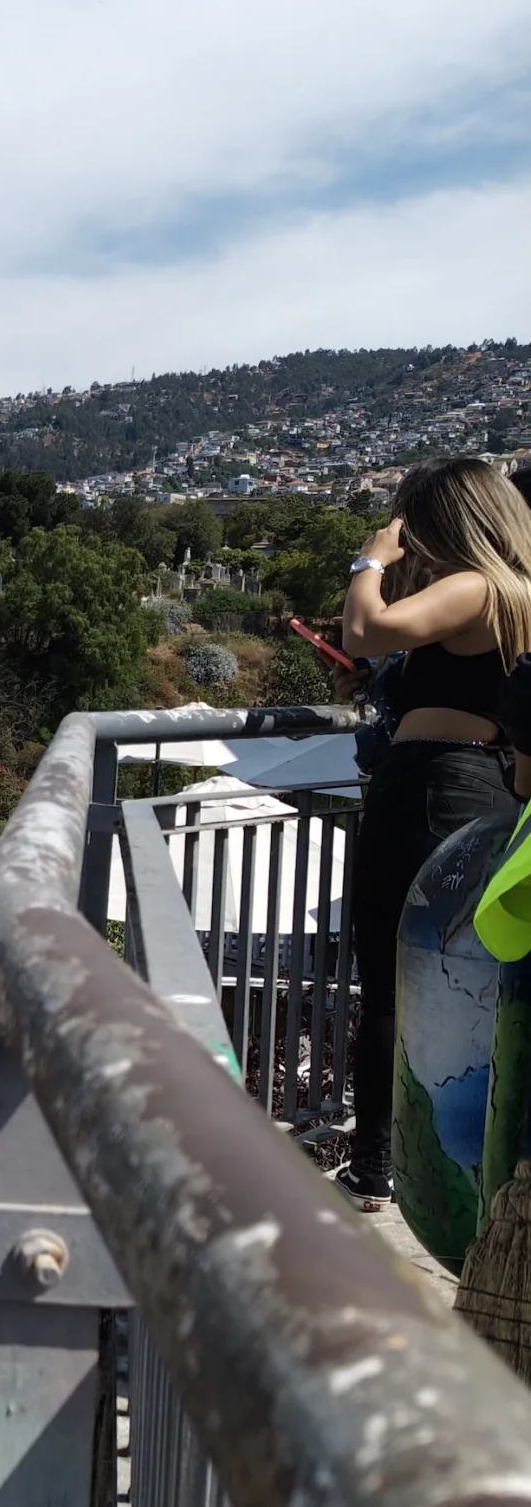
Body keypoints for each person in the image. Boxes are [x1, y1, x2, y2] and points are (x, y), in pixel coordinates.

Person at [339, 457, 531, 1207]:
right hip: (485, 786)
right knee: (461, 980)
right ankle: (459, 1161)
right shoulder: (516, 594)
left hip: (427, 789)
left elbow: (365, 629)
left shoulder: (476, 585)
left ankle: (375, 1167)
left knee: (390, 982)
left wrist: (371, 560)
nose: (413, 548)